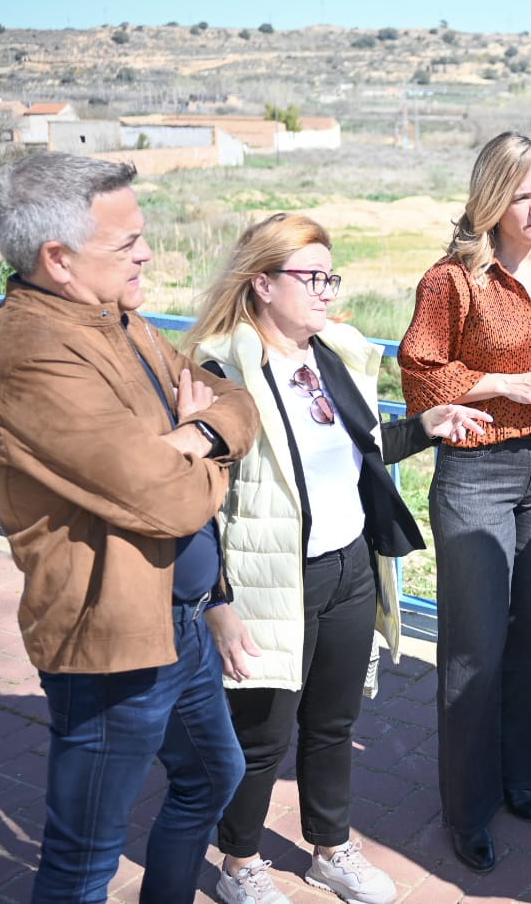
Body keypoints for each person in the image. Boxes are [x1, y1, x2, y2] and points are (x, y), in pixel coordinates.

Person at [0, 152, 260, 903]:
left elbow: (234, 400)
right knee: (82, 861)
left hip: (180, 620)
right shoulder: (31, 355)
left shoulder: (117, 319)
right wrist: (196, 447)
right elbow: (164, 500)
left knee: (213, 775)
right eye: (126, 243)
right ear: (57, 259)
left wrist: (193, 435)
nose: (147, 253)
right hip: (111, 643)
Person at [186, 213, 490, 904]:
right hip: (270, 579)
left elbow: (357, 449)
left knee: (333, 721)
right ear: (262, 283)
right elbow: (199, 499)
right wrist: (221, 601)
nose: (326, 290)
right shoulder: (223, 368)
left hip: (351, 566)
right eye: (310, 276)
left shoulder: (334, 354)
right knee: (261, 735)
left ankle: (330, 848)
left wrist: (425, 427)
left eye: (331, 276)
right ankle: (240, 863)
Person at [397, 131, 531, 874]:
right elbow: (420, 372)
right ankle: (469, 809)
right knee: (476, 646)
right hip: (477, 471)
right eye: (522, 194)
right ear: (492, 199)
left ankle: (521, 777)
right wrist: (503, 384)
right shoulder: (451, 281)